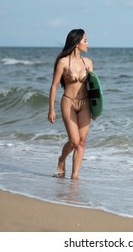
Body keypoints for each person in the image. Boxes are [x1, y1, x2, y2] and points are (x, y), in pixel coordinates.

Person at [48, 29, 94, 180]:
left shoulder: (87, 62)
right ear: (76, 43)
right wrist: (51, 109)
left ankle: (75, 175)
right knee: (74, 141)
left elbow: (93, 87)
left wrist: (96, 109)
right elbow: (54, 86)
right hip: (68, 102)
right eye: (85, 40)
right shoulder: (63, 62)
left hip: (85, 104)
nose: (87, 44)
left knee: (82, 141)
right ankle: (61, 160)